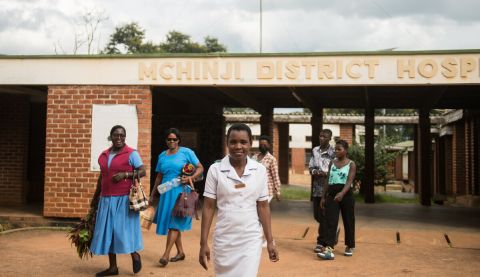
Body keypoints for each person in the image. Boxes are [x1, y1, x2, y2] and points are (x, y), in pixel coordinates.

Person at [199, 123, 279, 276]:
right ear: (227, 143)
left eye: (243, 142)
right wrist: (203, 243)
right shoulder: (215, 170)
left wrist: (270, 241)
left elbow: (263, 206)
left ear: (250, 143)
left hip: (250, 238)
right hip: (224, 239)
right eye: (233, 142)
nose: (238, 146)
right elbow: (208, 207)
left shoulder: (259, 170)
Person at [90, 125, 146, 276]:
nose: (119, 138)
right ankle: (113, 267)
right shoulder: (103, 155)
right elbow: (102, 177)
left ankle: (135, 255)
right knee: (108, 232)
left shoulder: (131, 153)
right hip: (106, 199)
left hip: (123, 199)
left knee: (122, 231)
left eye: (122, 135)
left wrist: (126, 175)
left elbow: (143, 171)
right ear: (111, 137)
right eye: (116, 135)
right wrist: (96, 196)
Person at [150, 128, 204, 267]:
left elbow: (200, 168)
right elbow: (159, 176)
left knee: (174, 223)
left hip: (181, 192)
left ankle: (166, 254)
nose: (172, 141)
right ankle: (180, 252)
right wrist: (152, 194)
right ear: (166, 140)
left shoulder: (186, 152)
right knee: (172, 223)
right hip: (166, 193)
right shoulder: (162, 155)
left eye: (174, 139)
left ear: (179, 140)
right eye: (169, 139)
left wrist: (191, 177)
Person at [318, 139, 356, 260]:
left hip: (346, 196)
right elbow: (328, 180)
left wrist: (342, 193)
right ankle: (329, 248)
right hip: (332, 196)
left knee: (348, 221)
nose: (336, 151)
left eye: (339, 149)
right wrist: (323, 196)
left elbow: (349, 181)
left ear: (346, 151)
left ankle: (349, 246)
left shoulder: (351, 164)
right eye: (336, 149)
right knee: (330, 221)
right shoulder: (332, 163)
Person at [308, 129, 335, 254]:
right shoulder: (315, 150)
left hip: (329, 189)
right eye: (320, 136)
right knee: (317, 215)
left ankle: (321, 242)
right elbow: (311, 167)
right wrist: (317, 172)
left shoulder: (334, 152)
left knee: (325, 215)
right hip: (317, 188)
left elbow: (336, 169)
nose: (322, 138)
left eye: (325, 136)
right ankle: (331, 234)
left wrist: (328, 174)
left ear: (330, 138)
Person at [253, 135, 281, 202]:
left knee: (263, 209)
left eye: (265, 144)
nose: (262, 146)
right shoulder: (254, 157)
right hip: (255, 189)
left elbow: (275, 176)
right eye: (261, 144)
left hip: (267, 190)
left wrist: (278, 191)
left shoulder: (271, 159)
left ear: (269, 145)